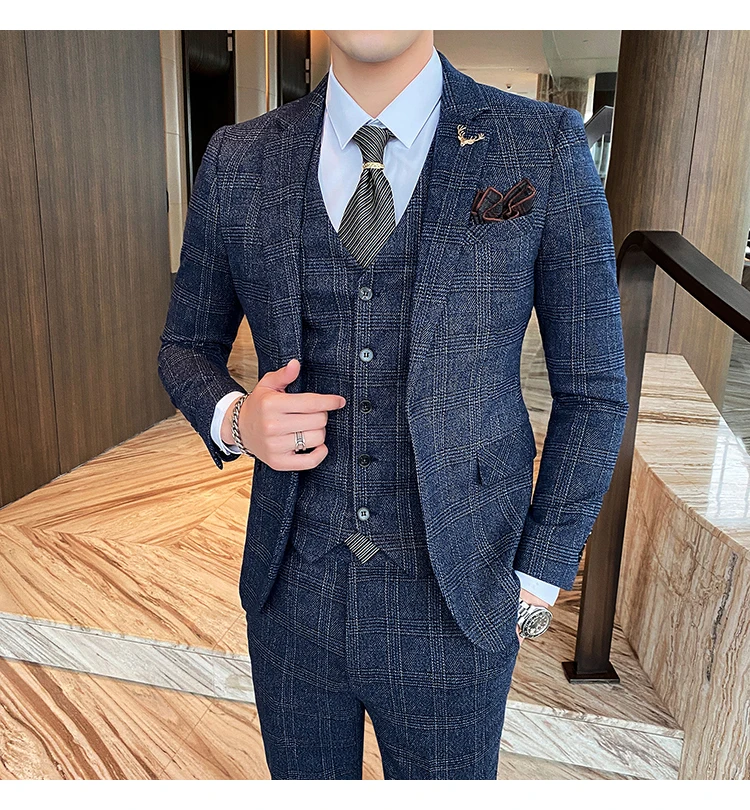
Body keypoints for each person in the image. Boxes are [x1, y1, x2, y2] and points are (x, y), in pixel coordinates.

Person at [157, 30, 629, 779]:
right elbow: (185, 344)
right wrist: (237, 419)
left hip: (460, 599)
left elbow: (594, 390)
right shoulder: (239, 158)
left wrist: (537, 578)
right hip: (292, 596)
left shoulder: (541, 144)